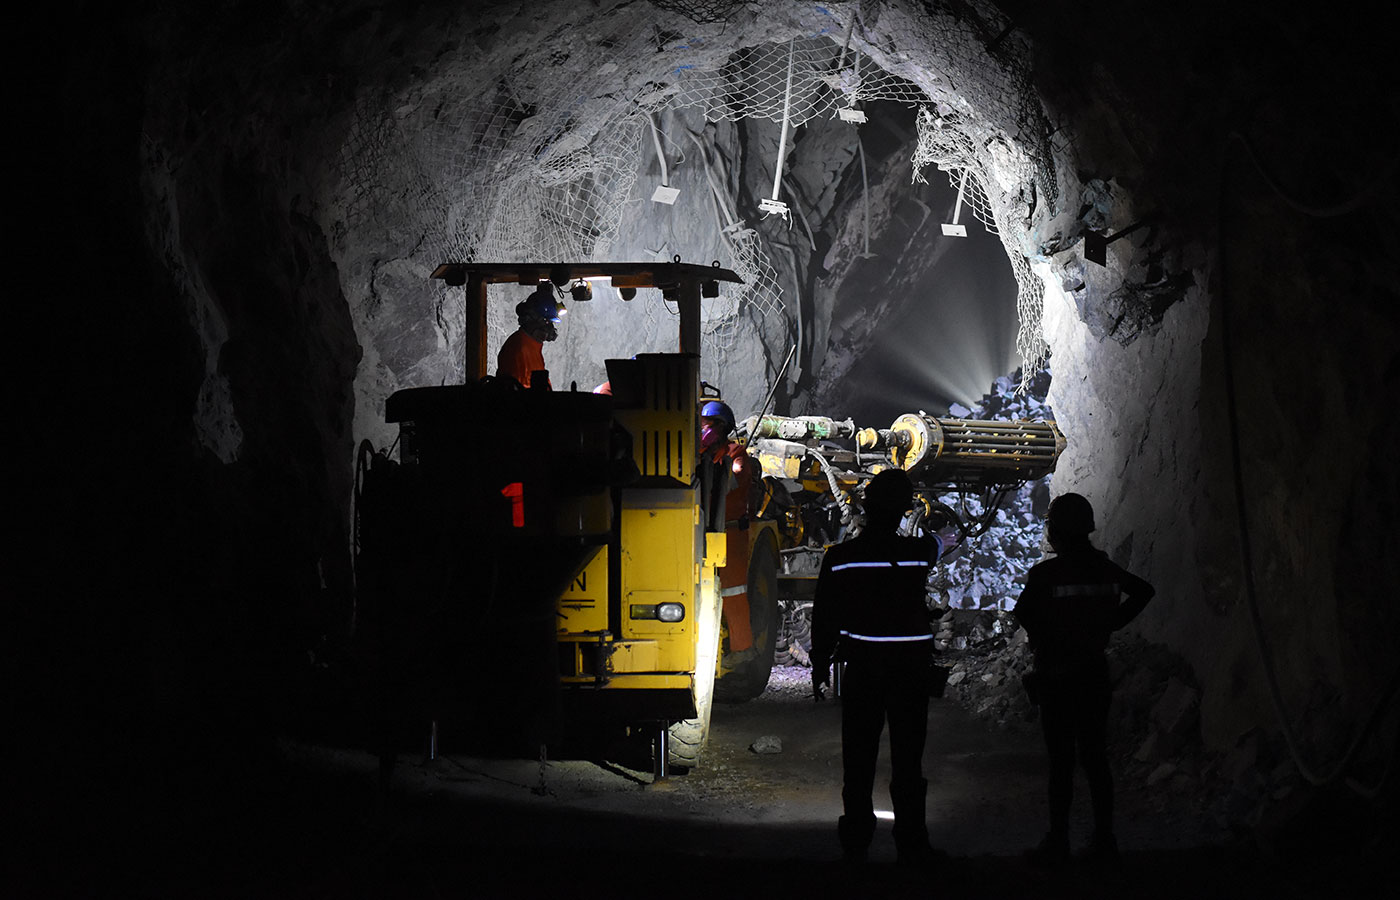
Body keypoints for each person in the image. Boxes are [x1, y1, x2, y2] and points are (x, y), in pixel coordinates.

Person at [810, 468, 958, 866]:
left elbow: (824, 616)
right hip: (910, 671)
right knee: (909, 760)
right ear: (903, 510)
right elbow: (941, 542)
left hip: (863, 669)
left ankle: (855, 843)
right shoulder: (915, 556)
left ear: (866, 506)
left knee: (857, 759)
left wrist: (819, 664)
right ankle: (912, 844)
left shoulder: (840, 559)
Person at [1012, 492, 1155, 866]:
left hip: (1057, 675)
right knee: (1095, 758)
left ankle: (1059, 841)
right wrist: (1109, 625)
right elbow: (1144, 591)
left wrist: (1048, 637)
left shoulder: (1047, 574)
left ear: (1055, 531)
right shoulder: (1106, 569)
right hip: (1093, 672)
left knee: (1061, 762)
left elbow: (1024, 612)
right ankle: (1104, 839)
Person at [698, 399, 760, 660]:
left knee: (733, 592)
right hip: (703, 527)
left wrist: (711, 454)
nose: (707, 428)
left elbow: (731, 483)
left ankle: (741, 649)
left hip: (731, 532)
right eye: (705, 424)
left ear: (725, 429)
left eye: (713, 425)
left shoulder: (735, 454)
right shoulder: (698, 451)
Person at [496, 284, 563, 389]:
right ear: (533, 319)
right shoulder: (519, 348)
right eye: (547, 323)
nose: (549, 329)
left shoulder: (532, 346)